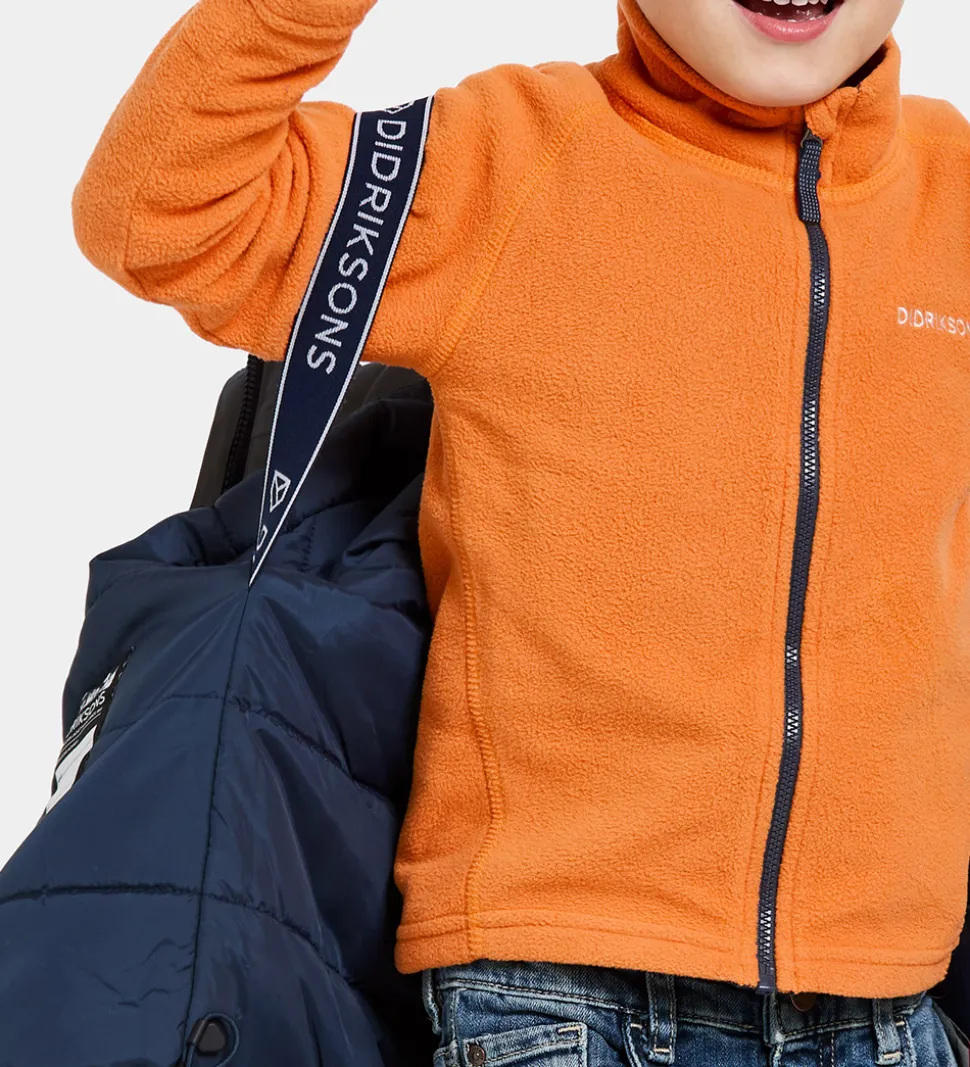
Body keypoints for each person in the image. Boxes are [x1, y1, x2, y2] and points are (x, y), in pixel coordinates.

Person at [71, 0, 970, 1064]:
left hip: (887, 1003)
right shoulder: (509, 163)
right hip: (557, 998)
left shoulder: (950, 193)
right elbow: (161, 215)